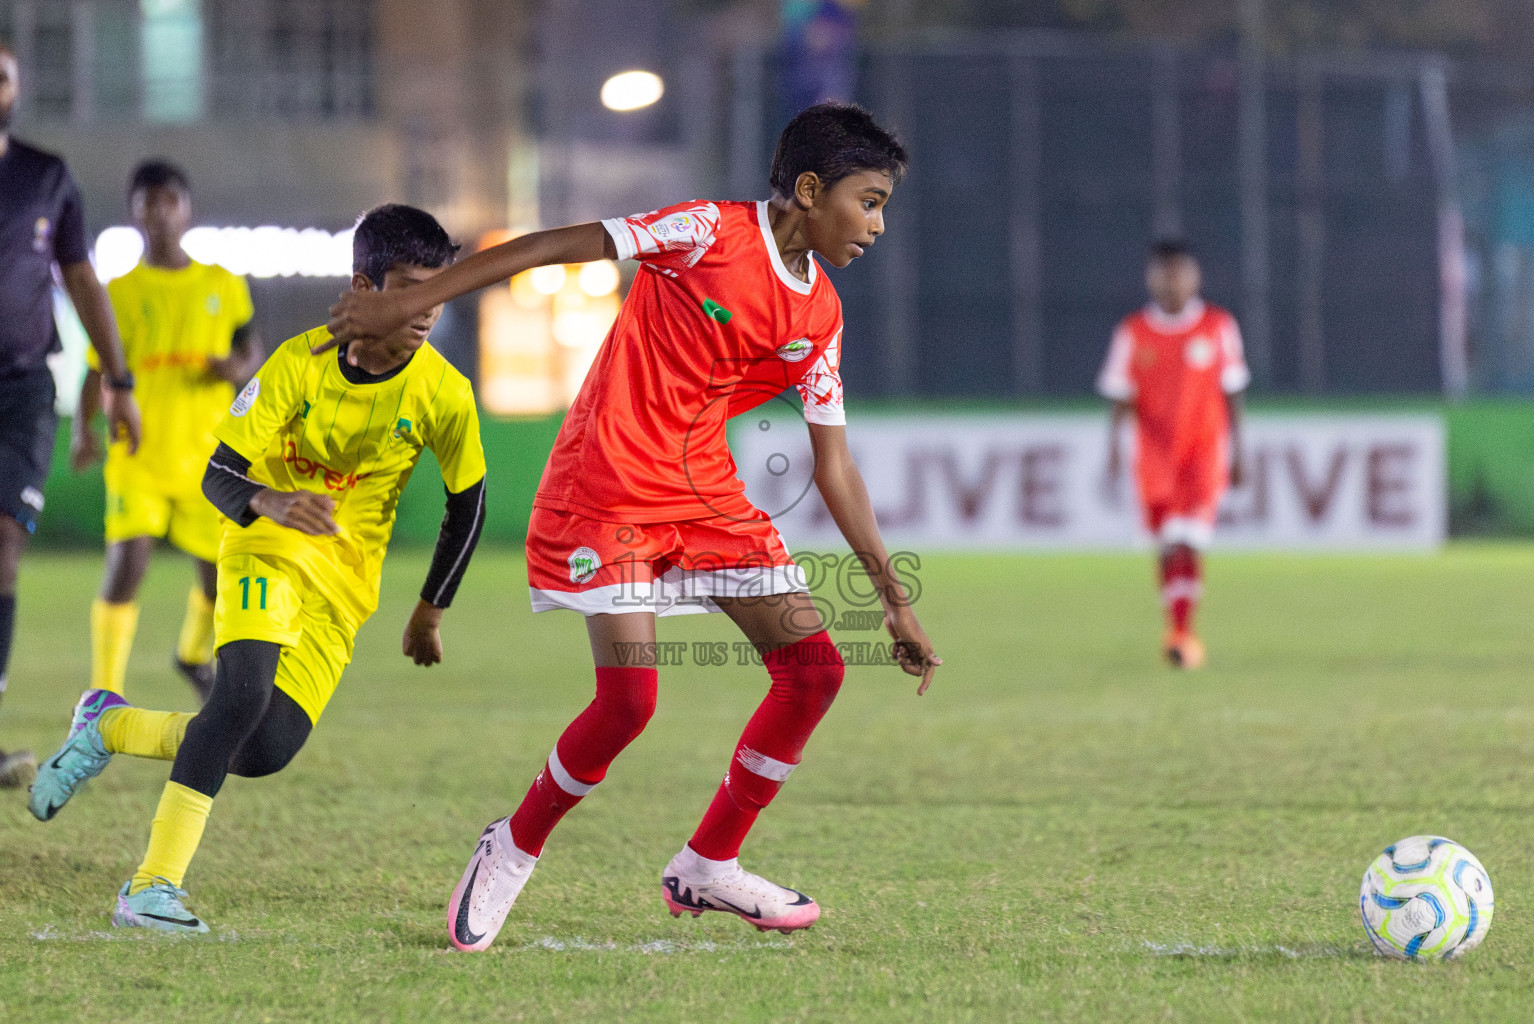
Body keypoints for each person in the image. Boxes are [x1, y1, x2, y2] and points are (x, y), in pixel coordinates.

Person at [324, 102, 942, 952]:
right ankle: (511, 845)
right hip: (609, 485)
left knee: (814, 671)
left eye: (881, 206)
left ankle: (707, 864)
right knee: (629, 701)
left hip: (709, 499)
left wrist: (893, 601)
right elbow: (554, 247)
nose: (876, 224)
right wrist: (419, 299)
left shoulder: (822, 315)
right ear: (808, 189)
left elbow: (833, 466)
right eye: (867, 201)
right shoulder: (704, 231)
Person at [28, 204, 487, 935]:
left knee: (264, 749)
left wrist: (430, 609)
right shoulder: (296, 364)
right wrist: (271, 501)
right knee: (237, 700)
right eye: (407, 287)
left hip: (343, 588)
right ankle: (151, 887)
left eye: (436, 290)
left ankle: (108, 727)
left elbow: (470, 504)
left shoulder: (444, 392)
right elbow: (221, 474)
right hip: (263, 545)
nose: (424, 307)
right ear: (363, 286)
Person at [0, 41, 141, 787]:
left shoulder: (44, 176)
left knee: (3, 548)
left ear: (16, 88)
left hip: (22, 389)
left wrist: (118, 379)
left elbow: (82, 278)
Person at [72, 159, 262, 704]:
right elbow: (95, 367)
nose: (158, 212)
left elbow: (251, 347)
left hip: (207, 454)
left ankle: (194, 654)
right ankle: (103, 694)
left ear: (187, 208)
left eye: (169, 200)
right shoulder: (120, 289)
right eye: (147, 202)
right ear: (133, 213)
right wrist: (84, 430)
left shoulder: (223, 283)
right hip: (139, 450)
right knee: (127, 565)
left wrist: (237, 367)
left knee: (215, 578)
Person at [1098, 239, 1249, 669]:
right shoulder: (1133, 332)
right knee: (1167, 544)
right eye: (1163, 273)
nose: (1172, 282)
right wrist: (1112, 453)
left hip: (1203, 452)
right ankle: (1177, 628)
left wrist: (1241, 453)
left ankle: (1183, 633)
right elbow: (1119, 396)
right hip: (1153, 456)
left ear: (1194, 276)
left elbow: (1233, 391)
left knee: (1190, 539)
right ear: (1151, 278)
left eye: (1180, 272)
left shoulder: (1218, 327)